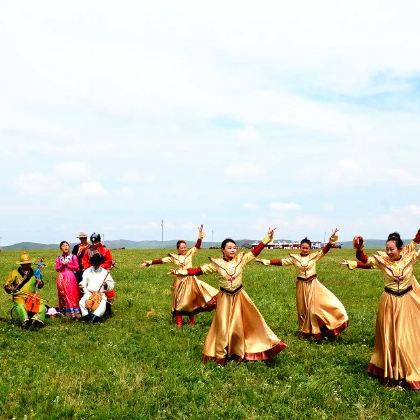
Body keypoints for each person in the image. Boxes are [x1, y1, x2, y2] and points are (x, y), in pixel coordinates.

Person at [170, 228, 286, 364]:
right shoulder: (217, 264)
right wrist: (180, 271)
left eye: (234, 248)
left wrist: (266, 239)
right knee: (223, 326)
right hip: (224, 298)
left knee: (241, 324)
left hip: (239, 297)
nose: (233, 250)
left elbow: (254, 252)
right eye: (229, 247)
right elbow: (198, 270)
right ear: (223, 249)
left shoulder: (241, 260)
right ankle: (220, 355)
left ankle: (239, 351)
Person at [342, 229, 420, 390]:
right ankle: (391, 370)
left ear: (400, 248)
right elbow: (364, 259)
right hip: (389, 302)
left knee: (404, 339)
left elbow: (416, 240)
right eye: (387, 249)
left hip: (406, 302)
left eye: (392, 249)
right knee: (390, 338)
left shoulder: (410, 257)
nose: (389, 252)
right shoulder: (382, 260)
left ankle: (407, 369)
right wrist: (359, 248)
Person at [257, 229, 348, 341]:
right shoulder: (294, 258)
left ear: (310, 249)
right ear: (300, 247)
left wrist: (331, 240)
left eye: (307, 248)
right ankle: (304, 331)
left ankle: (321, 329)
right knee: (302, 309)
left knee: (315, 308)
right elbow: (282, 262)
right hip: (301, 285)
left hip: (313, 285)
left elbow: (324, 250)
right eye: (303, 247)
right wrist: (267, 261)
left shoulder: (314, 256)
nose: (304, 250)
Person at [141, 225, 218, 327]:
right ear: (178, 248)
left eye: (185, 247)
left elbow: (197, 246)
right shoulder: (174, 257)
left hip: (191, 280)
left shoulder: (190, 253)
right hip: (179, 282)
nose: (183, 249)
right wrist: (149, 262)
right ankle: (179, 323)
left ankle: (192, 322)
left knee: (191, 300)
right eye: (181, 247)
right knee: (179, 301)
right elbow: (162, 260)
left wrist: (200, 236)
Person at [4, 253, 47, 329]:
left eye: (28, 264)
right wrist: (10, 288)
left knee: (42, 306)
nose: (27, 265)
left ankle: (36, 321)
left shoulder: (35, 273)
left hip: (32, 298)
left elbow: (40, 286)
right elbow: (7, 286)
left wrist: (40, 282)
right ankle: (26, 322)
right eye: (25, 264)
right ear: (21, 264)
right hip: (19, 297)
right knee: (21, 306)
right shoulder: (14, 273)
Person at [82, 232, 115, 316]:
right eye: (93, 242)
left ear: (99, 241)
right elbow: (84, 261)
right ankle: (90, 309)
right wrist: (90, 267)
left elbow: (109, 261)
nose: (94, 244)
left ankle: (107, 311)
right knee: (89, 290)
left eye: (96, 242)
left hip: (102, 272)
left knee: (107, 290)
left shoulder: (105, 250)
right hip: (91, 272)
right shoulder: (88, 250)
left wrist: (99, 266)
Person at [79, 253, 115, 323]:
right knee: (82, 302)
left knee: (101, 307)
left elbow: (111, 284)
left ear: (100, 263)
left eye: (98, 263)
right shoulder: (87, 271)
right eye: (94, 263)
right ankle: (87, 317)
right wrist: (81, 286)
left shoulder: (105, 272)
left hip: (101, 294)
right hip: (89, 293)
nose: (96, 265)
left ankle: (93, 319)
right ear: (92, 263)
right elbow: (83, 282)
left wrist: (106, 285)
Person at [55, 241, 81, 318]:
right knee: (62, 294)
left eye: (67, 245)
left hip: (70, 277)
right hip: (61, 278)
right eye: (63, 246)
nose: (65, 247)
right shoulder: (59, 258)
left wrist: (67, 264)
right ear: (61, 248)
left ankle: (75, 312)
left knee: (72, 293)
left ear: (69, 247)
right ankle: (65, 311)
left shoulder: (73, 257)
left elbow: (77, 267)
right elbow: (57, 269)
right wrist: (62, 265)